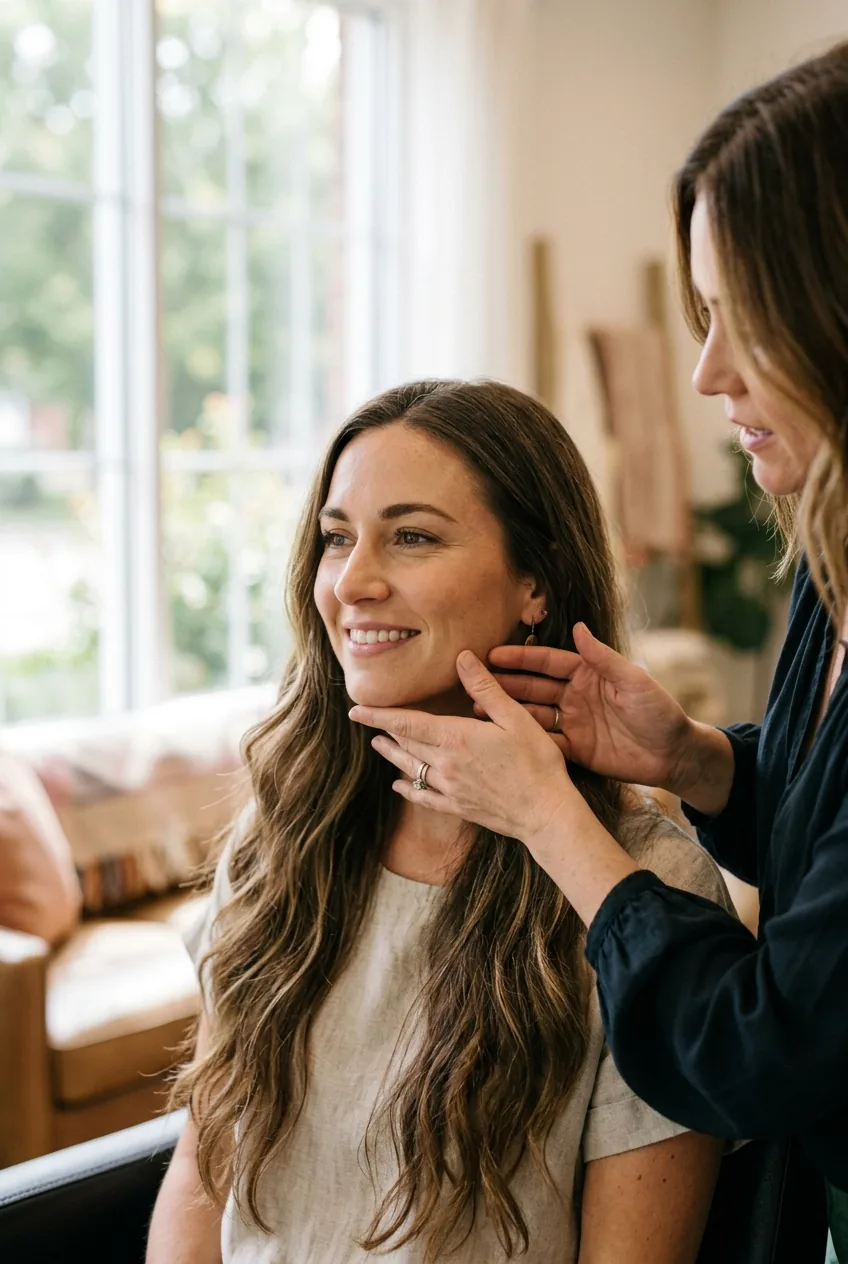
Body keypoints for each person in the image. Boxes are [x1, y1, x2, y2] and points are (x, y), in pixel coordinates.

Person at [349, 40, 848, 1264]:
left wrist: (551, 820)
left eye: (744, 315)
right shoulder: (830, 585)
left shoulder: (645, 879)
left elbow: (768, 1049)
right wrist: (695, 760)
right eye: (700, 315)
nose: (704, 370)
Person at [147, 380, 732, 1264]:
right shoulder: (279, 844)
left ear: (534, 583)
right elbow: (203, 1182)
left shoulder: (647, 893)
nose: (353, 582)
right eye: (337, 537)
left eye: (412, 537)